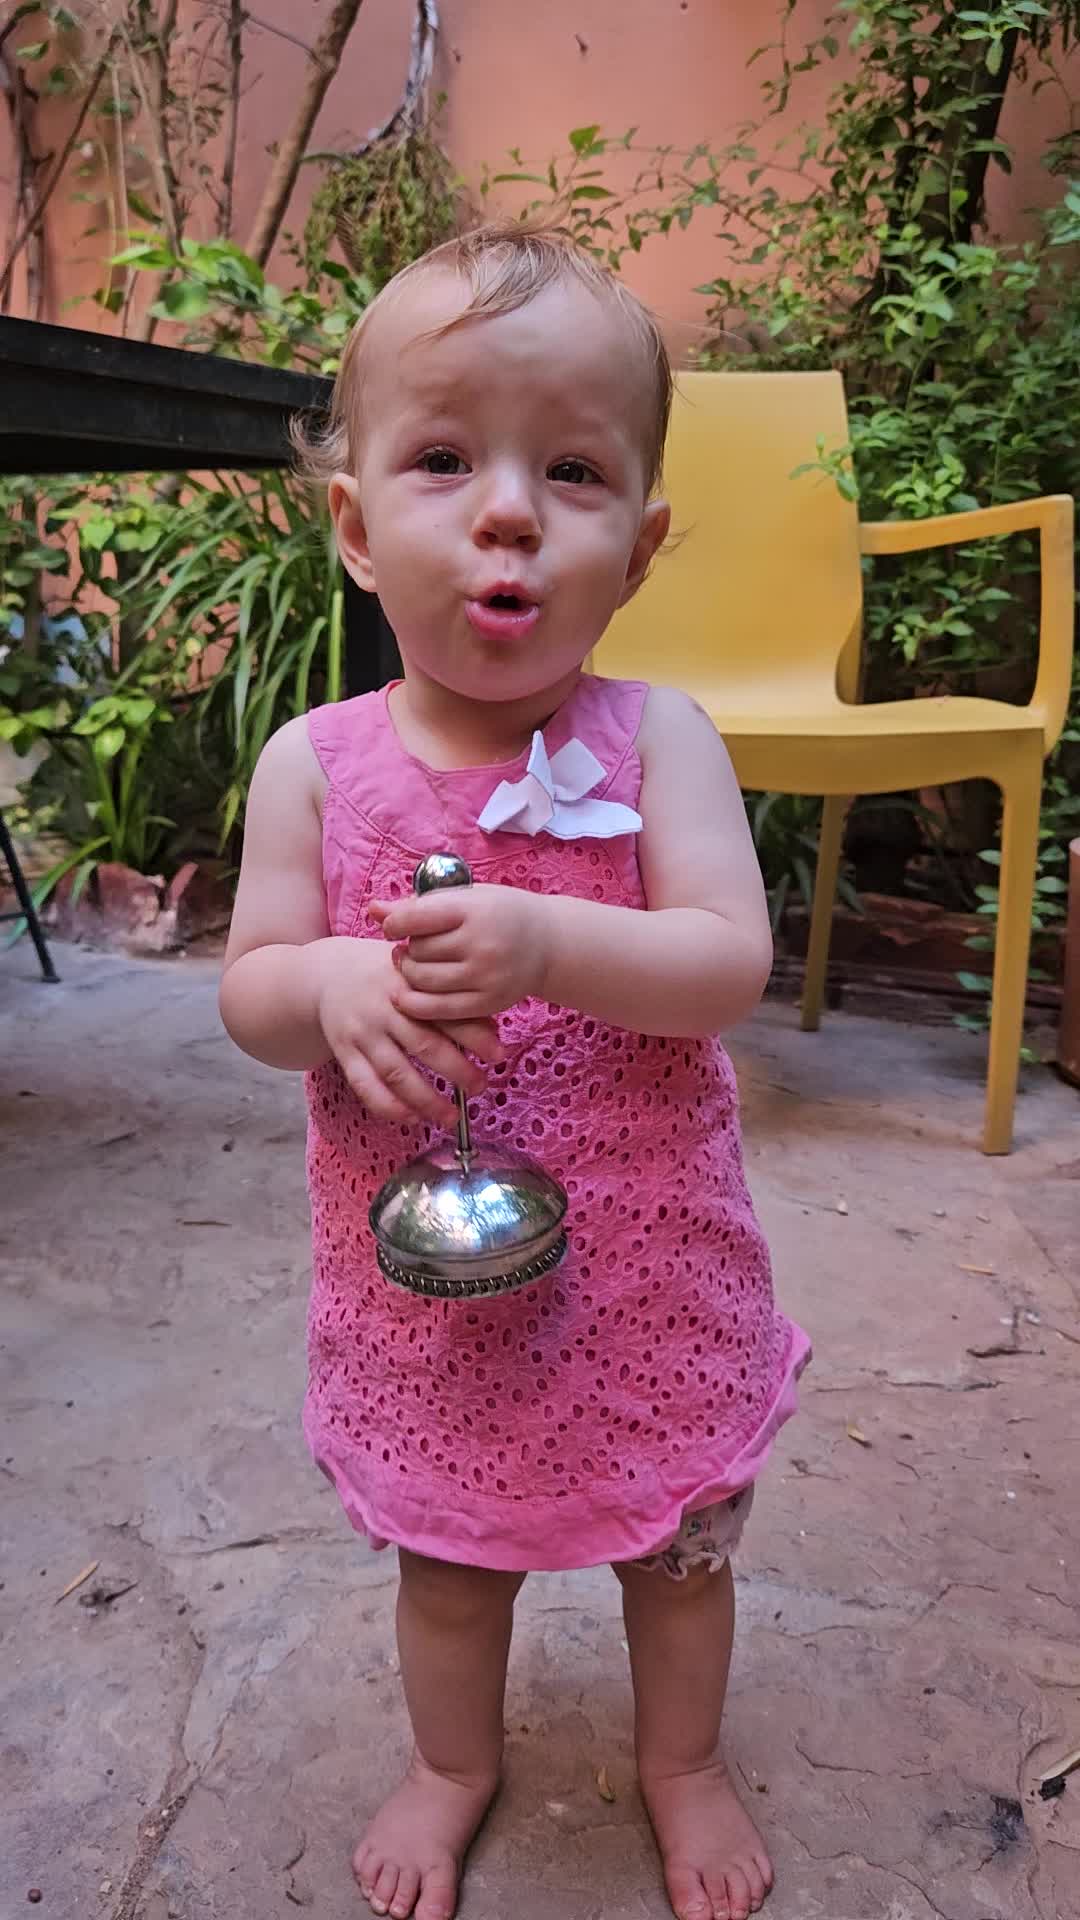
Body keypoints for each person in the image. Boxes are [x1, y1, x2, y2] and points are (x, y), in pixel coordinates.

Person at [219, 223, 810, 1920]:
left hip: (648, 1273)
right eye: (444, 460)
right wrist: (332, 981)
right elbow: (253, 994)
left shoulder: (658, 741)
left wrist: (551, 939)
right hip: (434, 1302)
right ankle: (452, 1764)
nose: (508, 514)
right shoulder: (314, 766)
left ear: (639, 547)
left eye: (572, 470)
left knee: (679, 1552)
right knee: (451, 1564)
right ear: (354, 528)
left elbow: (727, 965)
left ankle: (681, 1762)